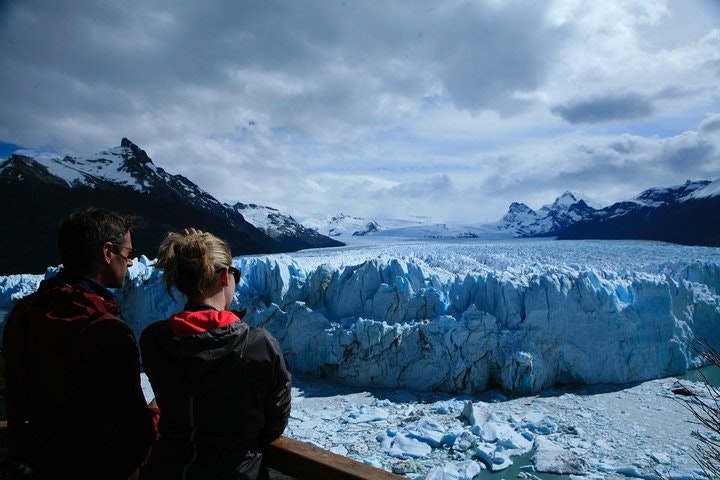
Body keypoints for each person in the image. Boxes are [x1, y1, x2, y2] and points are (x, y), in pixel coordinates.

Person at [2, 206, 158, 479]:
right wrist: (157, 411)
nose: (131, 262)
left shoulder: (24, 311)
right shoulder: (106, 329)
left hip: (34, 461)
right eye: (128, 254)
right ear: (107, 253)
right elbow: (131, 427)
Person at [139, 229, 292, 480]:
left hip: (168, 470)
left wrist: (192, 250)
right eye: (235, 273)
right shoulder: (257, 345)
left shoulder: (154, 339)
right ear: (224, 276)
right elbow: (275, 418)